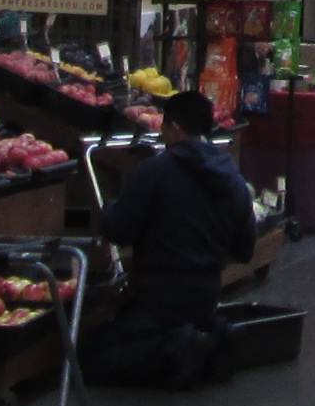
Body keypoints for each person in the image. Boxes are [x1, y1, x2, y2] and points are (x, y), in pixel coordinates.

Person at [87, 89, 257, 387]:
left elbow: (118, 230)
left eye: (164, 128)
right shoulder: (233, 179)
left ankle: (180, 345)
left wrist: (111, 208)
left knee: (93, 357)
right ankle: (216, 336)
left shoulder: (155, 171)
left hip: (159, 296)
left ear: (175, 128)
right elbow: (245, 249)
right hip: (207, 293)